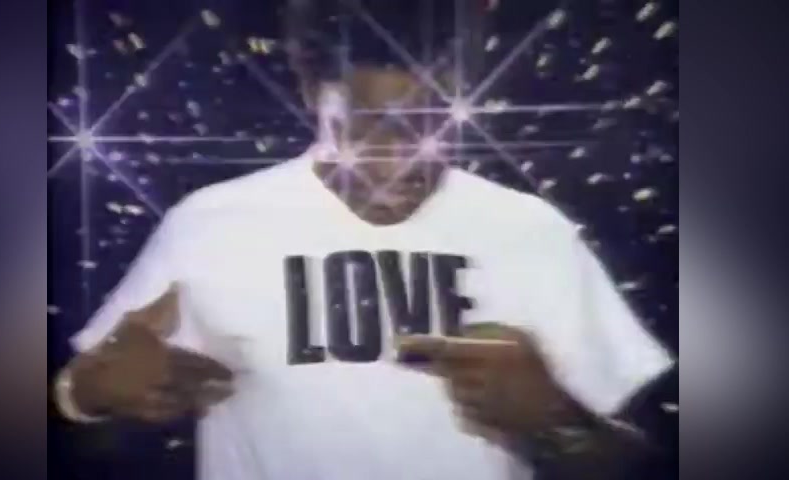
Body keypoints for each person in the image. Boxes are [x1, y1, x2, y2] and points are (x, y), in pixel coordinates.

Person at [53, 1, 675, 479]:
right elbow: (80, 427)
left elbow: (639, 465)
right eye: (368, 130)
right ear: (311, 95)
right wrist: (91, 395)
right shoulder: (209, 225)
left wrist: (556, 419)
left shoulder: (532, 231)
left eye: (430, 128)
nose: (399, 162)